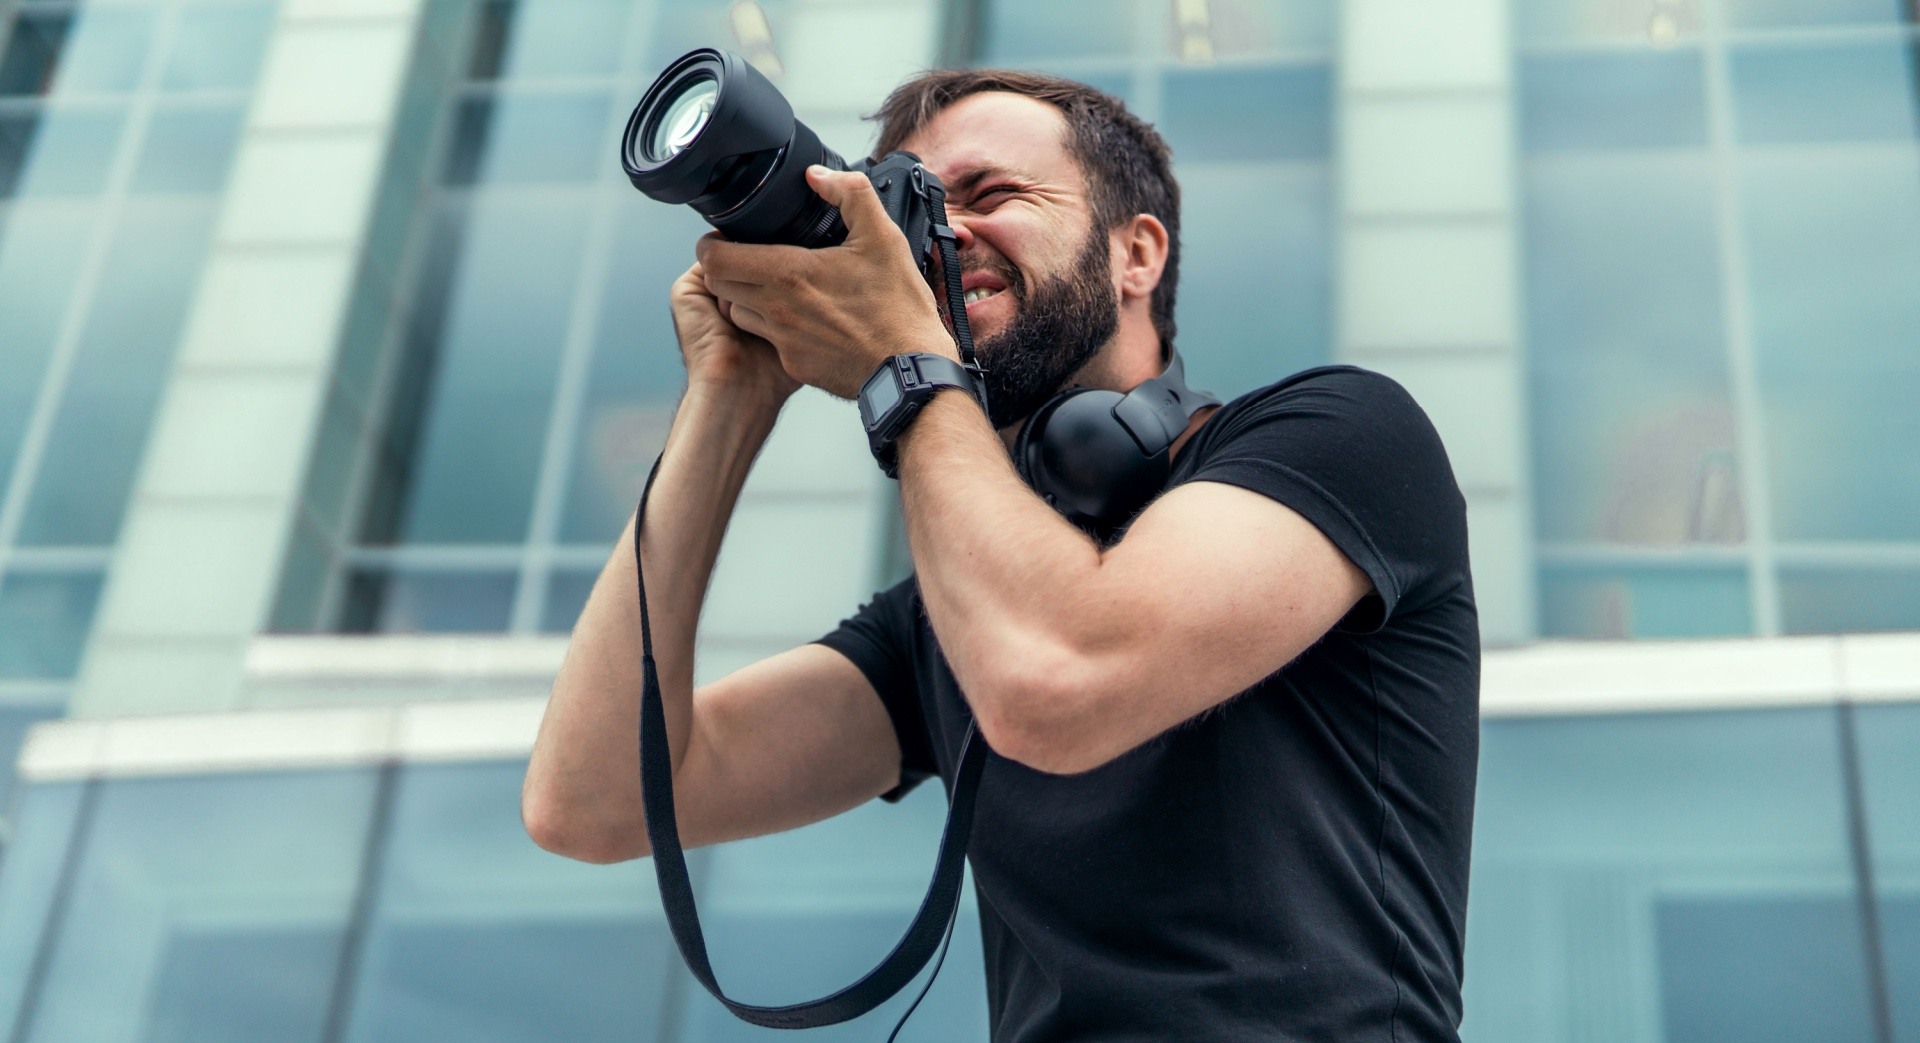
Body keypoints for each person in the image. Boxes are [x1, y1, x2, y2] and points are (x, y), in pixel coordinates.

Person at [523, 68, 1479, 1042]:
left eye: (990, 195)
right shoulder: (950, 620)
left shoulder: (1340, 436)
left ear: (1136, 252)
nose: (942, 237)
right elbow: (592, 796)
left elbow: (1058, 678)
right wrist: (729, 397)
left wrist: (902, 360)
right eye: (914, 211)